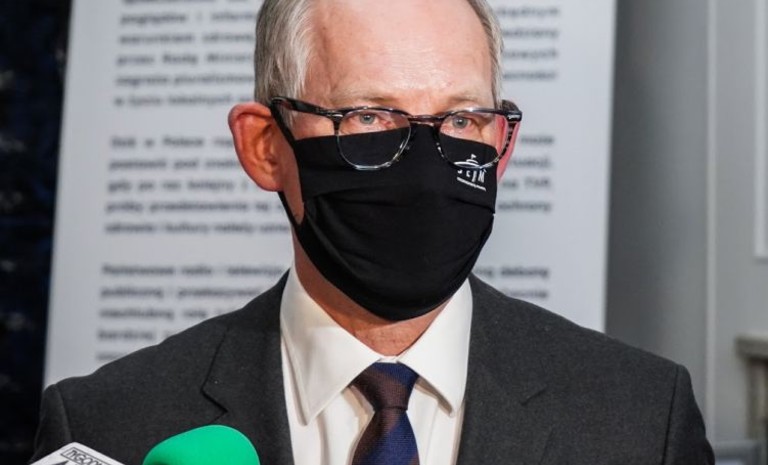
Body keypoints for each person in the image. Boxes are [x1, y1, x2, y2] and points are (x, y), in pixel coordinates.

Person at [31, 0, 714, 464]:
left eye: (463, 120)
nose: (424, 165)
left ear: (501, 149)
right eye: (368, 117)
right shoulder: (107, 426)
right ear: (266, 147)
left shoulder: (640, 418)